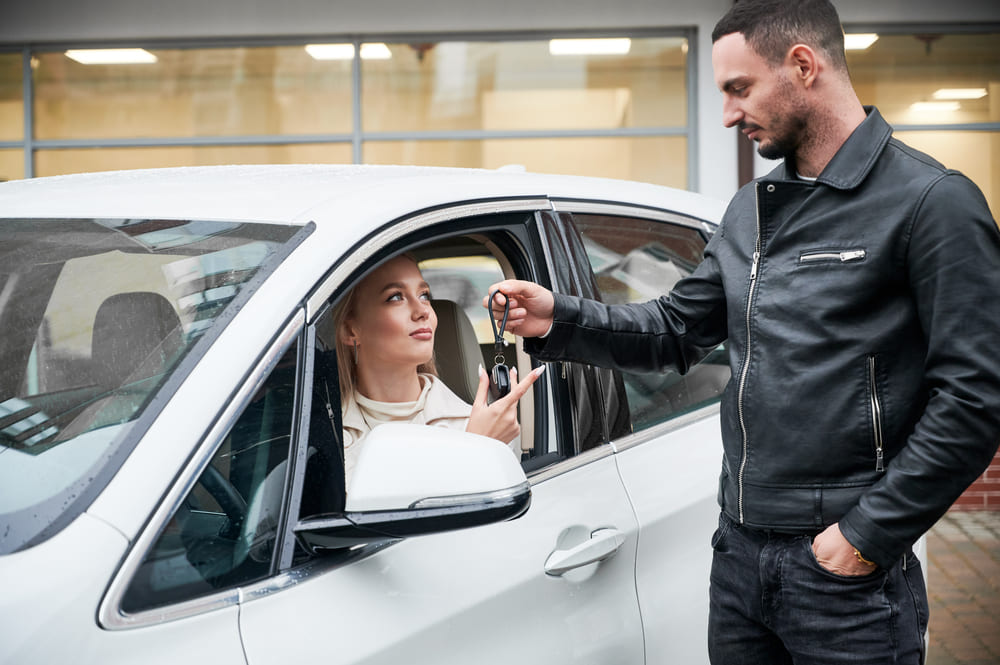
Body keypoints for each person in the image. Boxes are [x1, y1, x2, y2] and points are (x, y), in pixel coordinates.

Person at [485, 1, 1000, 662]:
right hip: (739, 559)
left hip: (845, 576)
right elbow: (673, 330)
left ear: (804, 67)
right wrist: (560, 316)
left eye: (739, 88)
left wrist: (868, 533)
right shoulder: (751, 210)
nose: (728, 113)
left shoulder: (932, 201)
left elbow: (976, 396)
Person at [331, 253, 544, 488]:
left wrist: (479, 449)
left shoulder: (481, 427)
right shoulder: (323, 436)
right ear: (350, 331)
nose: (423, 311)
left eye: (424, 295)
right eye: (395, 297)